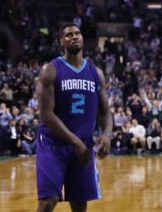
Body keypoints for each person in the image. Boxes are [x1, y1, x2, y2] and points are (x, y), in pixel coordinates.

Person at [35, 24, 114, 212]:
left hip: (83, 144)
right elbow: (46, 115)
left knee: (80, 205)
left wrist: (107, 134)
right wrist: (76, 142)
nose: (74, 37)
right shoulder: (51, 70)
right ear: (61, 42)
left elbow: (104, 112)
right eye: (69, 35)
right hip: (53, 144)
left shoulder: (96, 73)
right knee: (48, 201)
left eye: (77, 33)